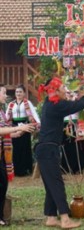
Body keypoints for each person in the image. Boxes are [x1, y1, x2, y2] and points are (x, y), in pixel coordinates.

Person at [35, 77, 84, 229]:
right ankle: (64, 218)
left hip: (45, 149)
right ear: (56, 91)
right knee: (56, 183)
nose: (66, 90)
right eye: (63, 88)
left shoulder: (50, 102)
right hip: (48, 150)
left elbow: (71, 103)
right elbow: (78, 105)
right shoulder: (57, 105)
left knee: (51, 183)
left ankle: (51, 217)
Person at [0, 84, 35, 226]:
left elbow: (4, 131)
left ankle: (1, 215)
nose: (5, 95)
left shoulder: (2, 112)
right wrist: (18, 127)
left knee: (3, 183)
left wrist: (17, 133)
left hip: (2, 153)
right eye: (3, 92)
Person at [5, 85, 40, 176]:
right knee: (15, 148)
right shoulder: (11, 104)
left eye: (20, 92)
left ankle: (25, 169)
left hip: (25, 126)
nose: (18, 93)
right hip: (14, 127)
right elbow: (6, 117)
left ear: (24, 93)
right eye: (17, 92)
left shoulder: (27, 103)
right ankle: (16, 169)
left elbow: (34, 114)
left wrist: (38, 123)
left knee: (25, 147)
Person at [61, 90, 84, 174]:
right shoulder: (62, 100)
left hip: (76, 124)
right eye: (67, 92)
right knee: (66, 145)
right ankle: (66, 167)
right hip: (65, 124)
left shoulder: (77, 100)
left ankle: (77, 167)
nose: (69, 94)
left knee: (76, 146)